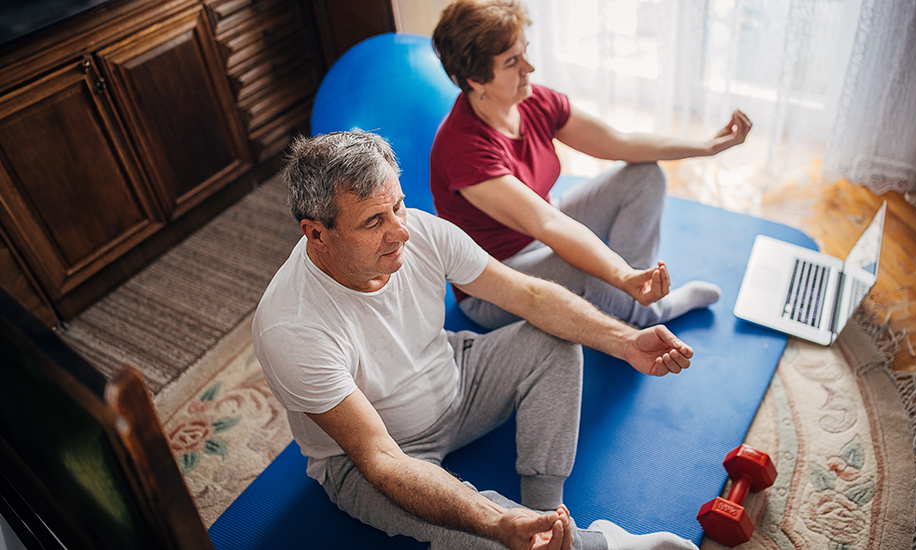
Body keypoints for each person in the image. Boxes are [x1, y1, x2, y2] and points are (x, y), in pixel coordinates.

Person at [253, 131, 701, 550]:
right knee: (488, 539)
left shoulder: (421, 233)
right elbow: (381, 459)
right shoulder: (291, 327)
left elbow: (529, 294)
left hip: (457, 378)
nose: (400, 231)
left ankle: (546, 514)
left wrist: (625, 341)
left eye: (399, 207)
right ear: (316, 233)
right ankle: (596, 543)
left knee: (555, 340)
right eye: (373, 221)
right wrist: (495, 523)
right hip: (372, 457)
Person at [430, 0, 752, 330]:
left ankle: (636, 296)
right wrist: (620, 274)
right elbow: (547, 225)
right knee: (588, 265)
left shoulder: (532, 100)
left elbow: (619, 143)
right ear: (475, 79)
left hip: (541, 234)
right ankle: (643, 312)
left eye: (525, 51)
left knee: (645, 174)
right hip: (497, 284)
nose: (529, 67)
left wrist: (707, 147)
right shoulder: (463, 150)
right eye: (513, 62)